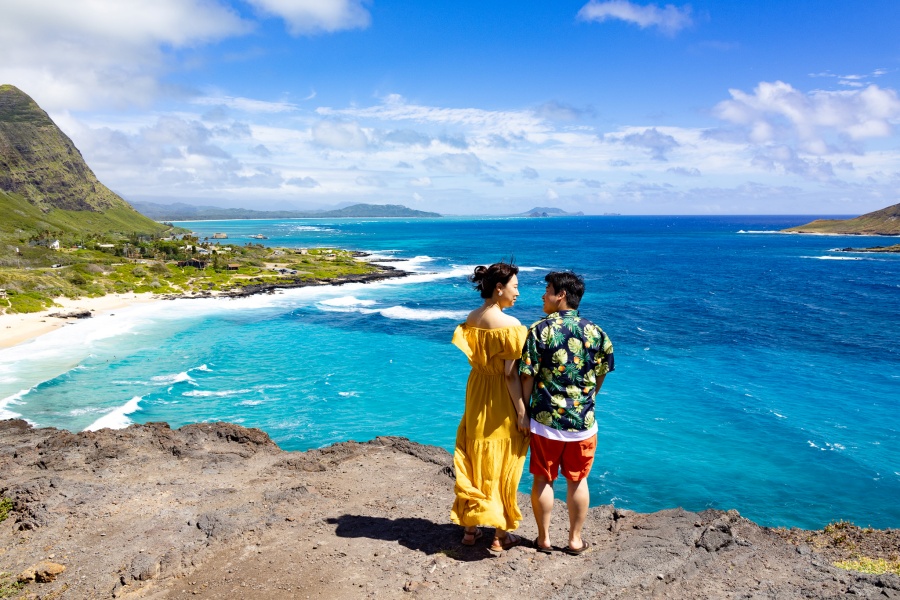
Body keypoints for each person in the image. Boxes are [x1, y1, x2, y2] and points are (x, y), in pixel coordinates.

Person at [519, 271, 614, 555]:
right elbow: (602, 372)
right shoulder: (596, 331)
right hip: (583, 423)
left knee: (543, 479)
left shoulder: (538, 330)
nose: (543, 295)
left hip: (546, 422)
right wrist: (588, 398)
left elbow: (526, 375)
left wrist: (525, 411)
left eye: (547, 289)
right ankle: (574, 540)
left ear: (561, 294)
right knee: (578, 480)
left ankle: (544, 539)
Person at [450, 262, 531, 552]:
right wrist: (522, 411)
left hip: (476, 391)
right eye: (515, 286)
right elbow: (510, 375)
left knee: (474, 453)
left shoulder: (472, 318)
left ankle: (470, 530)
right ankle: (500, 535)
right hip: (499, 395)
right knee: (503, 459)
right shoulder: (511, 326)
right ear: (499, 288)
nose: (518, 292)